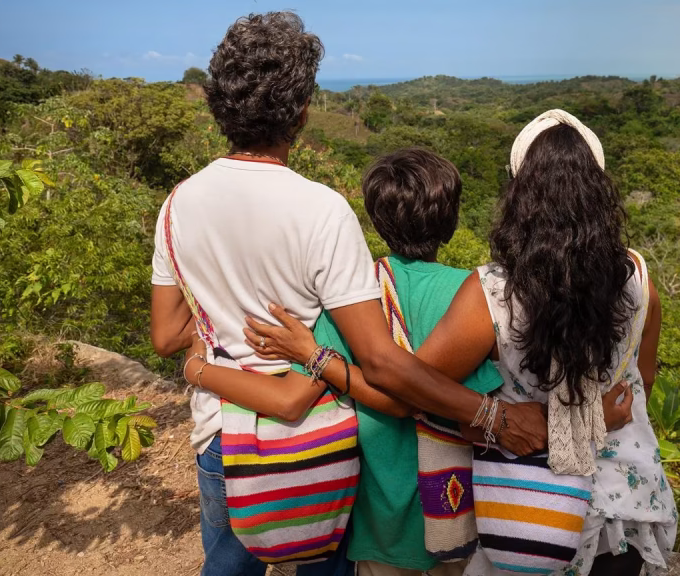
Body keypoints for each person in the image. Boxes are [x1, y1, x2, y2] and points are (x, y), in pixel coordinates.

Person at [149, 12, 548, 576]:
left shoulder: (177, 204)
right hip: (315, 436)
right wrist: (495, 417)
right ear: (303, 110)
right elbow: (382, 360)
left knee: (226, 567)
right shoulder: (321, 209)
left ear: (220, 104)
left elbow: (166, 334)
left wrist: (207, 351)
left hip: (221, 430)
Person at [246, 110, 677, 576]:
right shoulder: (639, 280)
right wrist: (588, 417)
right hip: (626, 502)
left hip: (526, 509)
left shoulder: (494, 292)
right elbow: (640, 390)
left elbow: (409, 386)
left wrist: (495, 417)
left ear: (518, 191)